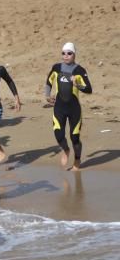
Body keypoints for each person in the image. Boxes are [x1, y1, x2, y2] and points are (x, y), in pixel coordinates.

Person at [45, 42, 92, 170]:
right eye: (63, 53)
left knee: (74, 137)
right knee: (59, 135)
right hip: (59, 107)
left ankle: (77, 160)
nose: (66, 56)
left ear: (74, 55)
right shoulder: (56, 68)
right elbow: (49, 81)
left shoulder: (79, 70)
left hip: (74, 109)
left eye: (69, 53)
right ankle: (65, 150)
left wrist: (78, 85)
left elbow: (89, 89)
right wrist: (47, 95)